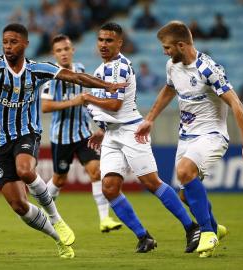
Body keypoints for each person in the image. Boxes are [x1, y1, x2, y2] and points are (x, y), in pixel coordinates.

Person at [0, 23, 127, 259]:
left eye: (14, 42)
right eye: (5, 42)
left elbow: (77, 77)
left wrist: (108, 85)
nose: (8, 47)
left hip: (26, 133)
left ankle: (56, 218)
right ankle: (59, 240)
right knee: (19, 206)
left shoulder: (37, 69)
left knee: (25, 170)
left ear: (26, 44)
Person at [135, 21, 243, 257]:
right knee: (186, 194)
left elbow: (236, 103)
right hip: (186, 136)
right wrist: (150, 118)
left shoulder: (208, 69)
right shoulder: (172, 66)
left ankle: (207, 232)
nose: (164, 52)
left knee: (185, 172)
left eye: (167, 47)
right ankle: (215, 226)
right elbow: (169, 89)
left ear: (181, 45)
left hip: (212, 135)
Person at [83, 22, 200, 253]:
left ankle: (191, 227)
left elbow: (115, 105)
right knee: (109, 187)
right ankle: (143, 236)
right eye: (100, 40)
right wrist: (104, 128)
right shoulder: (100, 71)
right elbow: (112, 111)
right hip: (113, 134)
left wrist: (86, 98)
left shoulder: (120, 67)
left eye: (109, 40)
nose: (103, 44)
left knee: (151, 182)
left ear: (120, 43)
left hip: (131, 131)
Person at [41, 34, 122, 233]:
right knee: (60, 179)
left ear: (72, 50)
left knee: (96, 171)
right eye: (59, 50)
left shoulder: (81, 70)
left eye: (66, 49)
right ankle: (44, 213)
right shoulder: (49, 76)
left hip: (83, 133)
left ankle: (105, 220)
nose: (63, 53)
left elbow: (87, 100)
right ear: (54, 54)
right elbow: (45, 106)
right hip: (61, 137)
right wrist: (73, 102)